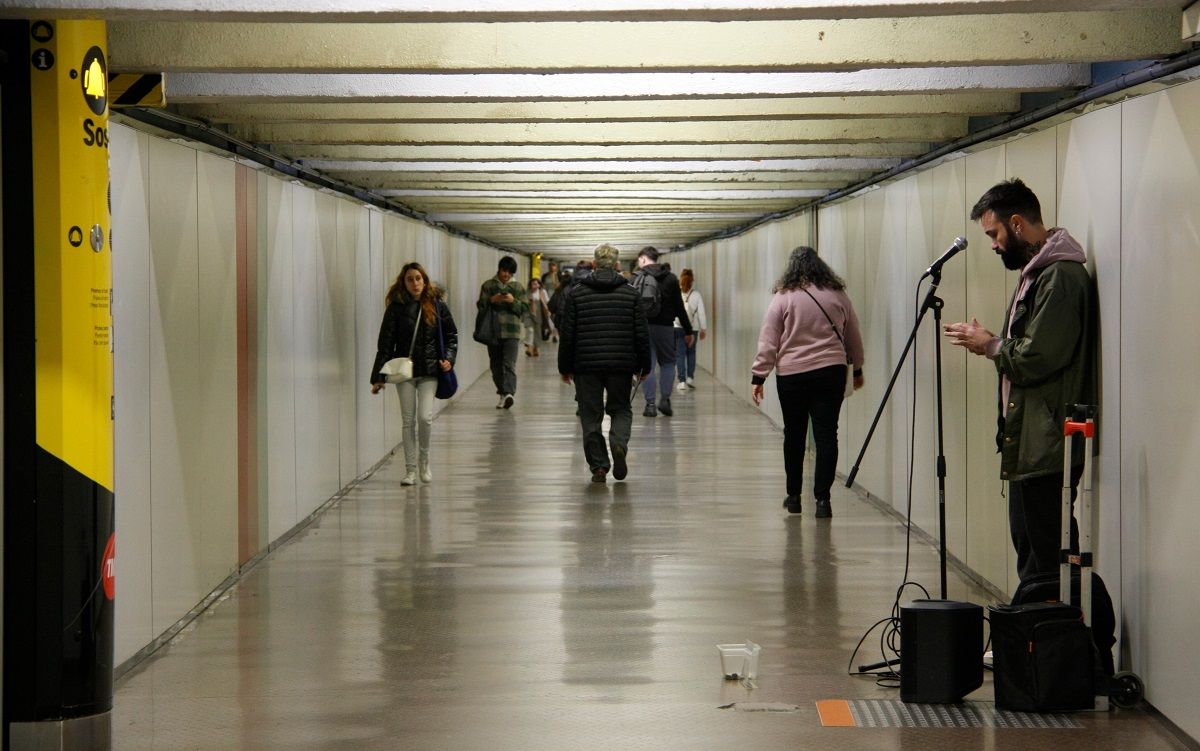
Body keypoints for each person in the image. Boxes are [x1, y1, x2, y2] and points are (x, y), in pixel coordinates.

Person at [943, 178, 1095, 582]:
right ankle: (1035, 637)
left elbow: (1037, 356)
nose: (992, 244)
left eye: (993, 234)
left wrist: (991, 345)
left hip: (1046, 441)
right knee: (1032, 549)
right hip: (1031, 438)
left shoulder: (1059, 277)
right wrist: (993, 343)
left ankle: (1058, 637)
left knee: (1047, 557)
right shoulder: (1036, 274)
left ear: (1016, 223)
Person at [751, 246, 864, 518]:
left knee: (794, 434)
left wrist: (759, 375)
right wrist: (858, 369)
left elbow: (769, 340)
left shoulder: (783, 298)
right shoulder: (838, 295)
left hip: (792, 375)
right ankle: (822, 500)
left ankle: (793, 497)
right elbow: (853, 336)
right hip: (830, 372)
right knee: (827, 435)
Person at [558, 244, 651, 483]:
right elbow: (641, 334)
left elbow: (568, 334)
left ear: (594, 263)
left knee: (590, 415)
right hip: (621, 364)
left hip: (586, 366)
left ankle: (599, 466)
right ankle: (618, 444)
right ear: (617, 264)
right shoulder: (631, 294)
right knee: (620, 409)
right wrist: (645, 366)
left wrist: (564, 367)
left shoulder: (577, 293)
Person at [370, 262, 458, 486]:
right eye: (410, 279)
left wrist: (449, 358)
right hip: (405, 371)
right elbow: (386, 343)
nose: (415, 283)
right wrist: (379, 378)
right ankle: (410, 470)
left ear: (425, 280)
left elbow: (451, 335)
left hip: (430, 370)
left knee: (424, 418)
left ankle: (424, 461)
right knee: (408, 421)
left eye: (418, 278)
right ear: (404, 282)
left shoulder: (437, 306)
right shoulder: (396, 307)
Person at [633, 247, 693, 417]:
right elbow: (679, 308)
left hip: (643, 328)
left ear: (644, 259)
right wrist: (688, 330)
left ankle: (650, 405)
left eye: (639, 260)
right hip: (666, 328)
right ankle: (665, 400)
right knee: (668, 363)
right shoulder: (671, 279)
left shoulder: (636, 278)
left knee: (648, 366)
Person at [478, 255, 528, 409]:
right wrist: (492, 300)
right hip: (493, 331)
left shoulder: (518, 288)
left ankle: (509, 394)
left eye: (509, 272)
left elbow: (525, 309)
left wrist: (513, 301)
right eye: (503, 271)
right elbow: (480, 306)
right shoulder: (488, 285)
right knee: (495, 366)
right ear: (499, 270)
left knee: (509, 364)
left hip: (512, 332)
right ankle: (502, 393)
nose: (505, 275)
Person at [674, 268, 708, 391]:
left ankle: (682, 381)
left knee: (680, 354)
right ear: (692, 280)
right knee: (691, 352)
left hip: (678, 327)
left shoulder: (676, 293)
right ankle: (689, 378)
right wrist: (703, 328)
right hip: (693, 329)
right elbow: (701, 313)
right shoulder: (696, 295)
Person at [523, 277, 554, 357]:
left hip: (539, 315)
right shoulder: (527, 292)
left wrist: (548, 313)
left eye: (536, 283)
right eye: (533, 284)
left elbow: (547, 302)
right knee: (530, 330)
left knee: (537, 333)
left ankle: (535, 348)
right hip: (528, 314)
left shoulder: (542, 292)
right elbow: (523, 301)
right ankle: (529, 347)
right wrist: (528, 301)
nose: (534, 285)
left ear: (539, 285)